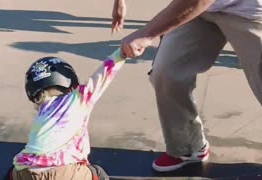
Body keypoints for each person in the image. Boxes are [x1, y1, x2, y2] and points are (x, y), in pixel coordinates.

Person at [112, 0, 262, 172]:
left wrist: (147, 33)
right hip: (198, 11)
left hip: (251, 12)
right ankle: (188, 147)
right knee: (167, 72)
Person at [9, 48, 126, 180]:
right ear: (71, 86)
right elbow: (103, 75)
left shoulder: (42, 112)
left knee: (12, 173)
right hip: (64, 173)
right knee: (97, 173)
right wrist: (122, 53)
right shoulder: (77, 98)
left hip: (25, 170)